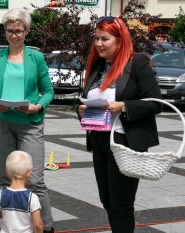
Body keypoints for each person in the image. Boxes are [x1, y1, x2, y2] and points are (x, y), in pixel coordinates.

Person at [78, 16, 163, 233]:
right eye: (96, 38)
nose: (98, 44)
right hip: (99, 140)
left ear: (120, 40)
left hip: (125, 143)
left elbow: (155, 102)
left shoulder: (138, 63)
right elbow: (91, 99)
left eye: (104, 39)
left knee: (121, 205)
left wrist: (123, 106)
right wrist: (82, 111)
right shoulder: (98, 66)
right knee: (108, 202)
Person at [0, 8, 55, 233]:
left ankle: (46, 228)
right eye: (10, 31)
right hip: (2, 123)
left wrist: (37, 106)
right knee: (5, 179)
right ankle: (11, 227)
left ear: (27, 31)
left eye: (19, 31)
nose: (14, 35)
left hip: (30, 123)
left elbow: (48, 91)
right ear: (5, 32)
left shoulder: (36, 57)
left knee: (34, 181)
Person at [0, 151, 43, 233]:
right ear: (28, 174)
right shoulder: (32, 197)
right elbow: (38, 224)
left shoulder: (1, 193)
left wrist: (4, 212)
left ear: (7, 173)